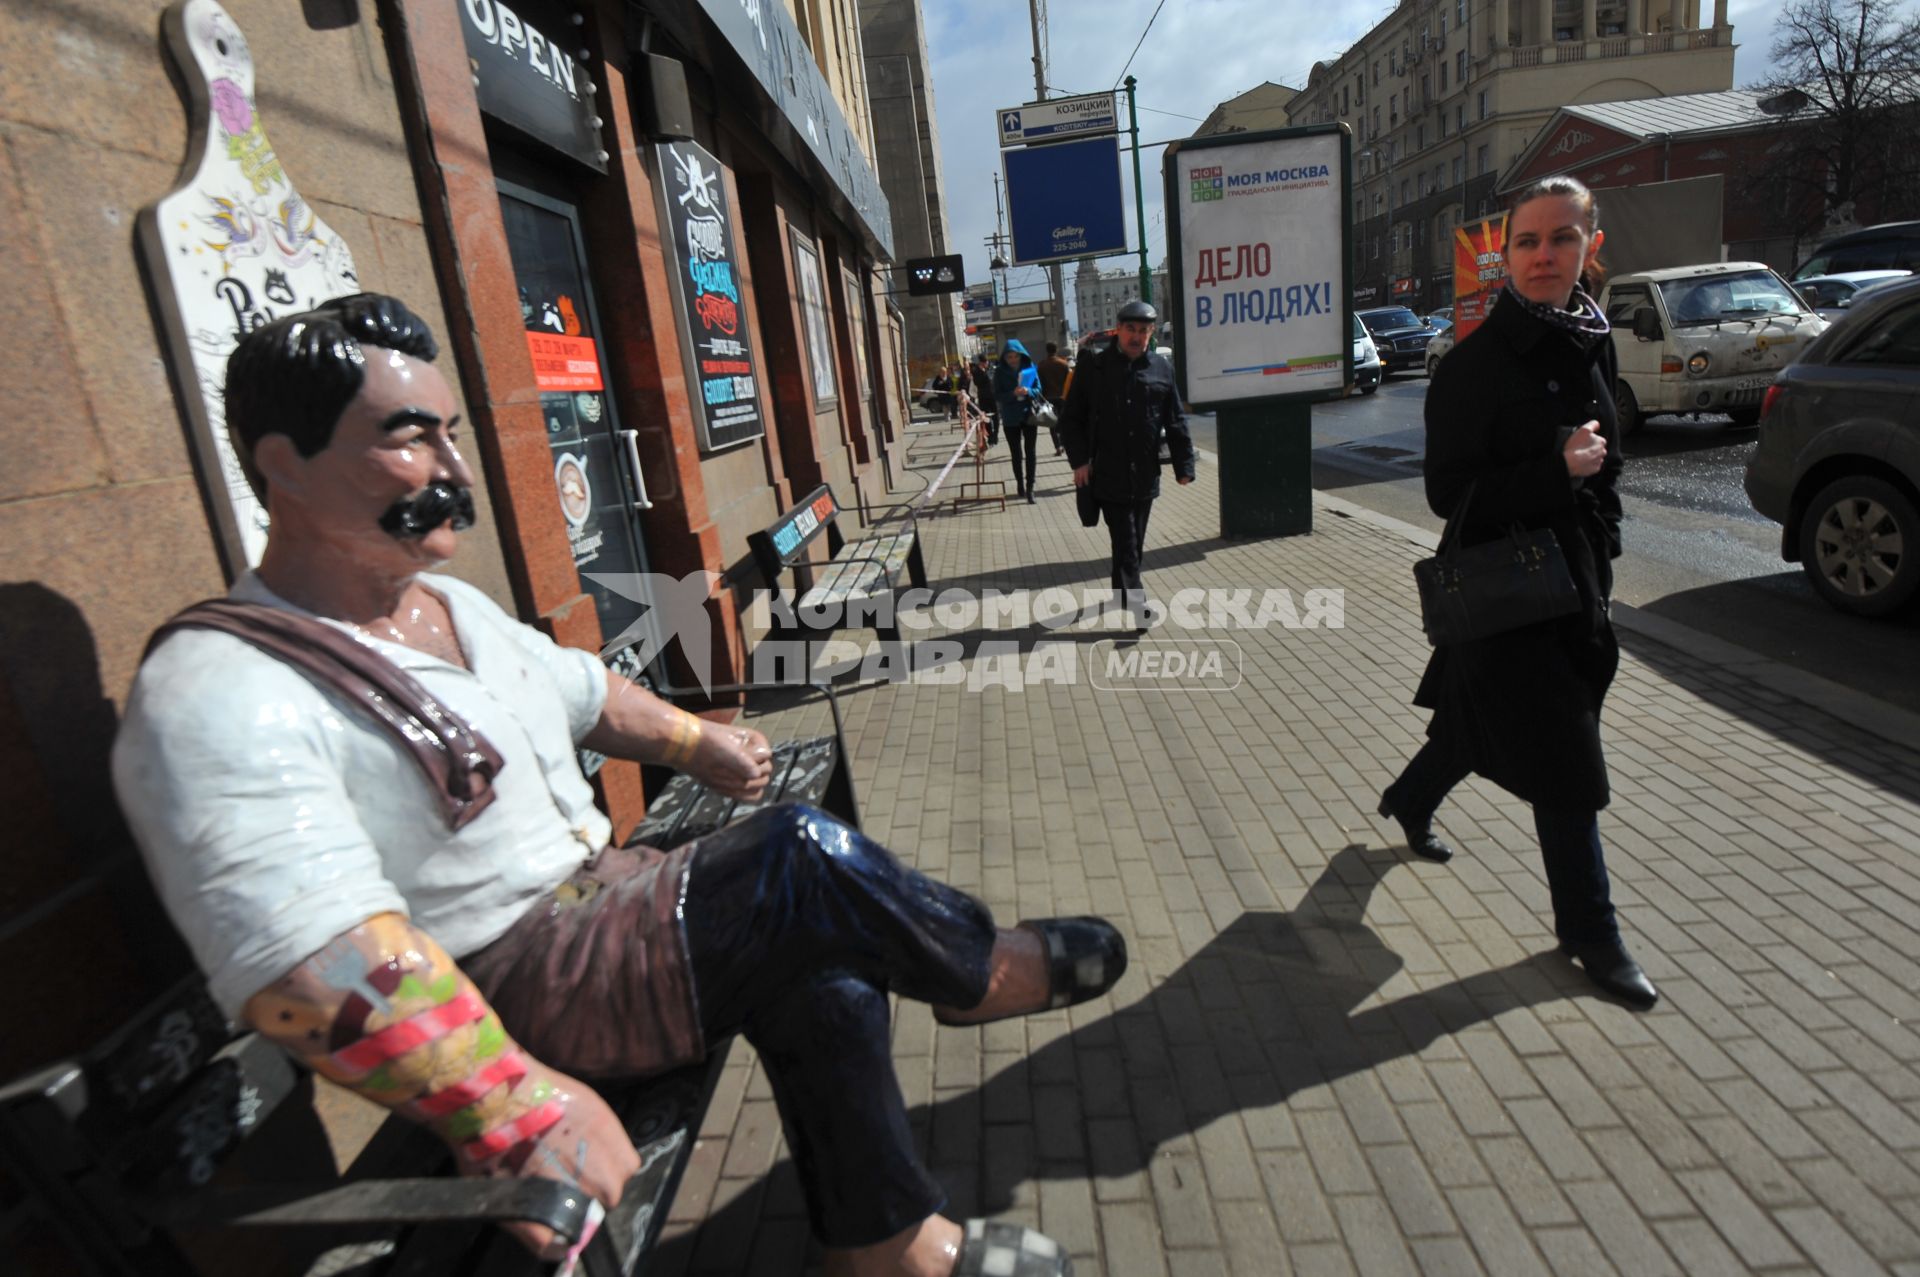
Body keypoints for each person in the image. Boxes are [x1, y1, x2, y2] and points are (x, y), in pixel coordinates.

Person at [110, 294, 1122, 1277]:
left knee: (825, 969)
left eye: (453, 434)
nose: (454, 470)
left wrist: (696, 744)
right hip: (516, 992)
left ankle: (889, 1246)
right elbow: (306, 959)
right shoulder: (221, 689)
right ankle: (978, 969)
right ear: (283, 463)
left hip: (602, 904)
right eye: (411, 439)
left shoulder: (441, 606)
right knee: (794, 859)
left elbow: (583, 689)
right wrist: (508, 1107)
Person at [1376, 176, 1657, 1010]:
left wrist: (1601, 525)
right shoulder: (1471, 367)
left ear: (1589, 247)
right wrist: (1554, 471)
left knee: (1476, 723)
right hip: (1510, 591)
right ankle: (1591, 930)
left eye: (1561, 239)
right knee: (1568, 762)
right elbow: (1446, 493)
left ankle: (1410, 797)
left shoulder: (1591, 341)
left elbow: (1609, 454)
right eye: (1528, 241)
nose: (1544, 256)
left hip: (1575, 585)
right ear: (1505, 253)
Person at [1058, 299, 1195, 628]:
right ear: (1118, 330)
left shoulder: (1161, 369)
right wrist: (1079, 462)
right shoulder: (1095, 367)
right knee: (1127, 541)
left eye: (1144, 331)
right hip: (1107, 472)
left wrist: (1184, 466)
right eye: (1131, 329)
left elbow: (1174, 418)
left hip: (1145, 475)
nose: (1137, 336)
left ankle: (1122, 590)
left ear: (1151, 334)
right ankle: (1138, 607)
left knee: (1135, 540)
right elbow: (1070, 419)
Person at [992, 339, 1044, 502]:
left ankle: (1030, 488)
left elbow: (1039, 388)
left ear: (1021, 355)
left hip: (1029, 414)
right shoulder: (999, 372)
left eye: (1016, 356)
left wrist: (1028, 390)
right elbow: (997, 395)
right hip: (1010, 417)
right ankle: (1020, 484)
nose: (1013, 360)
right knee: (1016, 454)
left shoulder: (1029, 367)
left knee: (1031, 452)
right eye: (1010, 357)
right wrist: (1012, 394)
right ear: (1005, 358)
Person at [1036, 341, 1072, 455]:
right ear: (1056, 350)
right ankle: (1064, 444)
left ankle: (1057, 447)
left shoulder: (1041, 365)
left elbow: (1039, 383)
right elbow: (1069, 382)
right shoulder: (1064, 364)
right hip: (1062, 397)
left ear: (1047, 351)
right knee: (1063, 422)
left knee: (1052, 424)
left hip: (1047, 398)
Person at [968, 352, 999, 446]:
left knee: (996, 417)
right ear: (981, 363)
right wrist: (984, 374)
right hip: (983, 398)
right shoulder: (976, 372)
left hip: (993, 397)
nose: (987, 363)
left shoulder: (989, 370)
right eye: (986, 362)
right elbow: (977, 383)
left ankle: (995, 435)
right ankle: (990, 437)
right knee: (986, 418)